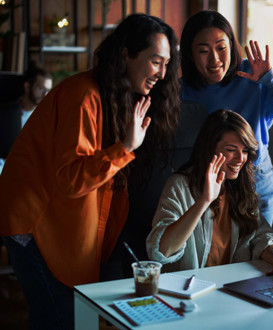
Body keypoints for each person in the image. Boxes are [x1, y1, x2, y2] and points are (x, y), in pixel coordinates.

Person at [0, 14, 180, 330]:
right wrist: (126, 146)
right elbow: (71, 177)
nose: (162, 73)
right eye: (155, 61)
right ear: (126, 54)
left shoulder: (115, 95)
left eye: (166, 64)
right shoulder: (83, 95)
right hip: (32, 219)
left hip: (57, 217)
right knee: (58, 318)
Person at [179, 10, 273, 225]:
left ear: (231, 46)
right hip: (207, 185)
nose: (215, 59)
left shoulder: (253, 75)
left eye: (221, 48)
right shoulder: (181, 91)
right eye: (204, 51)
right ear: (190, 54)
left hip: (255, 179)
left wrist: (271, 78)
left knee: (261, 252)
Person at [147, 110, 273, 273]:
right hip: (187, 291)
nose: (240, 158)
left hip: (230, 286)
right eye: (231, 149)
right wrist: (204, 201)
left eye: (244, 151)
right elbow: (162, 251)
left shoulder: (239, 187)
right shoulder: (179, 185)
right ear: (210, 149)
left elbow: (261, 236)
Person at [0, 62, 52, 174]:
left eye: (48, 91)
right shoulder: (6, 113)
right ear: (28, 86)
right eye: (41, 88)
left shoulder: (45, 122)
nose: (45, 95)